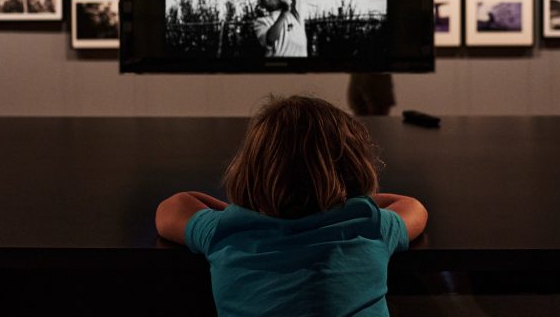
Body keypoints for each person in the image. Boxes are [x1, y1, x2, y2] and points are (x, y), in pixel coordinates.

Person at [155, 95, 428, 317]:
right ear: (352, 168)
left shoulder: (227, 231)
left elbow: (172, 209)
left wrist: (233, 211)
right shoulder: (367, 224)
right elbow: (412, 207)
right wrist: (351, 201)